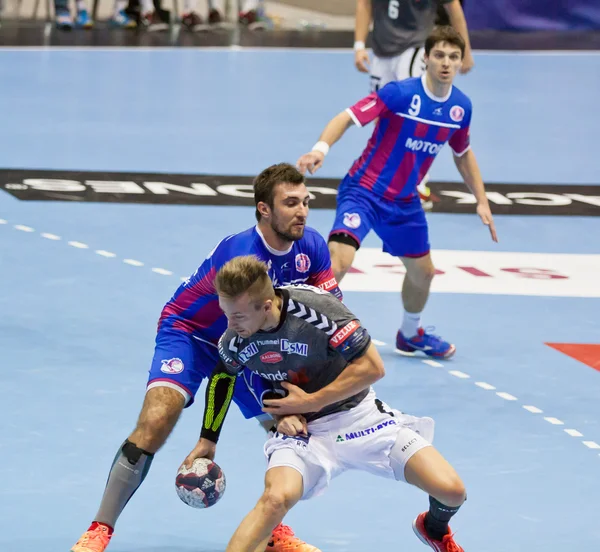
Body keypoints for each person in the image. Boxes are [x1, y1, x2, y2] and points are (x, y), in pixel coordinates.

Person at [70, 163, 340, 552]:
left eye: (306, 202)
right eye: (291, 203)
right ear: (264, 209)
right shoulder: (242, 256)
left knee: (289, 427)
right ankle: (99, 530)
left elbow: (329, 312)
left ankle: (272, 532)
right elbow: (228, 352)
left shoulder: (311, 247)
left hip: (249, 340)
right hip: (191, 333)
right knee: (157, 418)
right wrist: (208, 437)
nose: (302, 211)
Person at [183, 255, 467, 552]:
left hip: (361, 417)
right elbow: (223, 377)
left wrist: (309, 401)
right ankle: (269, 537)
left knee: (452, 491)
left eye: (238, 316)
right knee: (275, 500)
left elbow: (373, 368)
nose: (230, 325)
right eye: (226, 314)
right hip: (304, 434)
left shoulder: (316, 309)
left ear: (266, 306)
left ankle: (432, 529)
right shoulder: (235, 338)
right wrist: (208, 439)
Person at [296, 25, 498, 360]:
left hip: (404, 202)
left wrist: (482, 199)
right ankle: (303, 335)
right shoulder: (399, 94)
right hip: (364, 190)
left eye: (454, 57)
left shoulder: (460, 108)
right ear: (426, 59)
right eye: (439, 55)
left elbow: (462, 153)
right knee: (339, 261)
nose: (446, 63)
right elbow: (347, 117)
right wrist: (320, 149)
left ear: (461, 62)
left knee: (424, 273)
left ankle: (409, 334)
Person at [353, 0, 474, 208]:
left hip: (414, 49)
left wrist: (466, 50)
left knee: (415, 117)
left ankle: (416, 185)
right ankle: (386, 177)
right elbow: (364, 3)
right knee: (381, 117)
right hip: (382, 52)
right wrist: (359, 45)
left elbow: (453, 6)